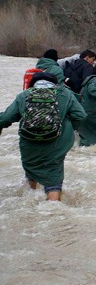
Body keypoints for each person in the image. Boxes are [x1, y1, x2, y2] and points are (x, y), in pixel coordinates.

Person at [0, 72, 86, 201]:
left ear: (33, 83)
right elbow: (81, 115)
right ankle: (52, 209)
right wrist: (67, 127)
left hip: (29, 142)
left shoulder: (24, 95)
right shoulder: (65, 94)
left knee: (31, 168)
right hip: (57, 142)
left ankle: (30, 200)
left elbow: (6, 118)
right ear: (55, 83)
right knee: (53, 174)